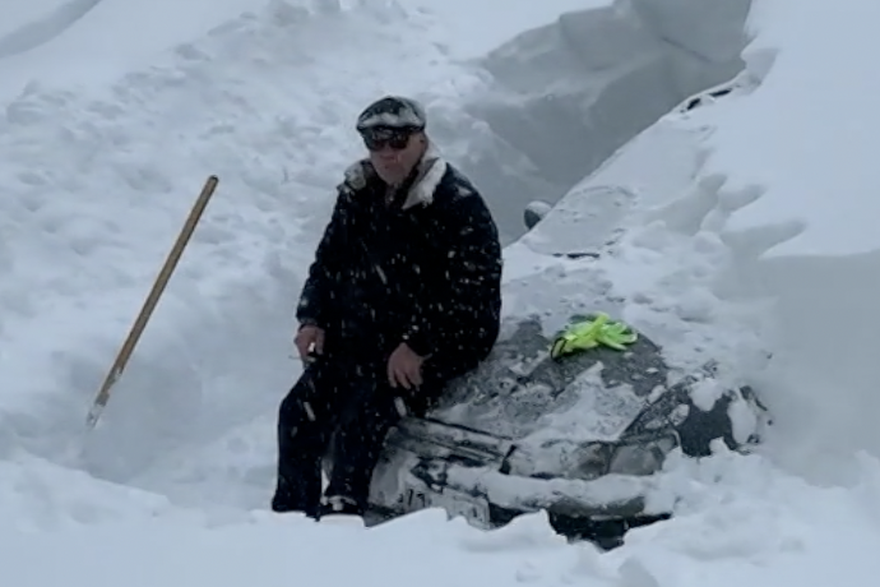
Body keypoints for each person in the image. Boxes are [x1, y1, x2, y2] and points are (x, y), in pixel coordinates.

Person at [271, 95, 503, 520]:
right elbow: (330, 261)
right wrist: (313, 318)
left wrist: (419, 342)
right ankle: (291, 516)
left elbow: (474, 290)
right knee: (297, 412)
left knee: (365, 412)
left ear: (421, 140)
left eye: (397, 143)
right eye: (376, 145)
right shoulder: (358, 194)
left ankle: (343, 511)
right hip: (370, 334)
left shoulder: (457, 202)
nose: (386, 155)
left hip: (444, 338)